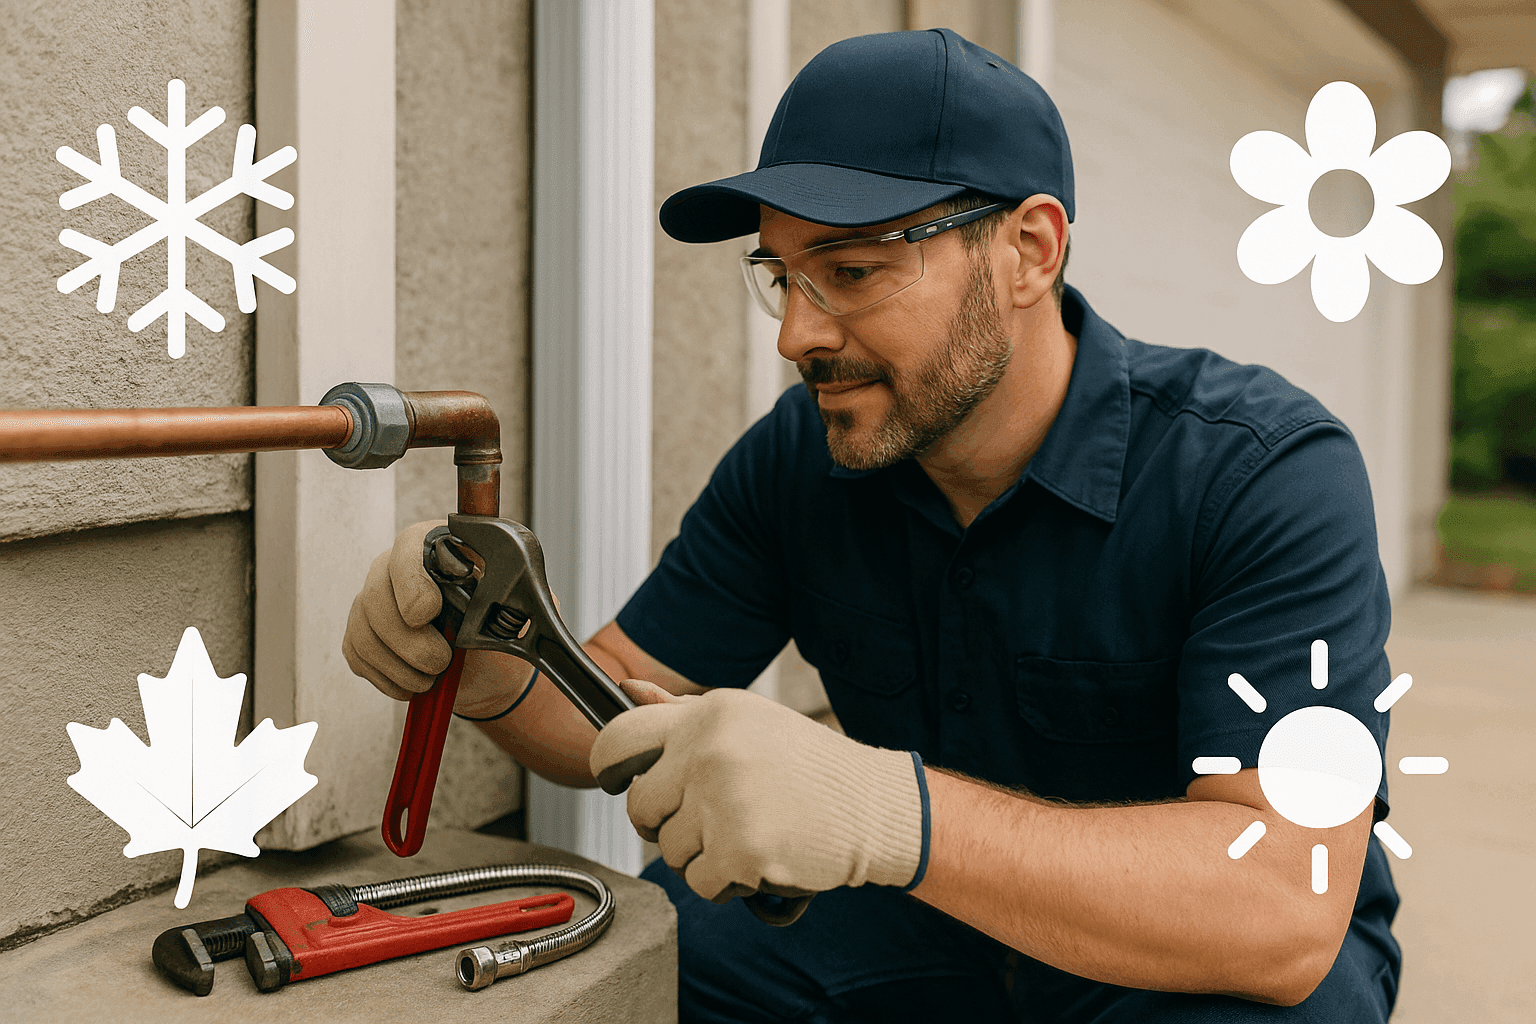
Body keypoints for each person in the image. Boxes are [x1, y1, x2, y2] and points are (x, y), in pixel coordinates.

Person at [343, 28, 1401, 1024]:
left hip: (1192, 956)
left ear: (1029, 251)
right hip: (929, 923)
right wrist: (494, 663)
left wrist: (883, 811)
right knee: (661, 944)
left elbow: (1280, 896)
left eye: (850, 272)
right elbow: (613, 699)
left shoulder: (1263, 475)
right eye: (781, 277)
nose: (799, 335)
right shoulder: (804, 453)